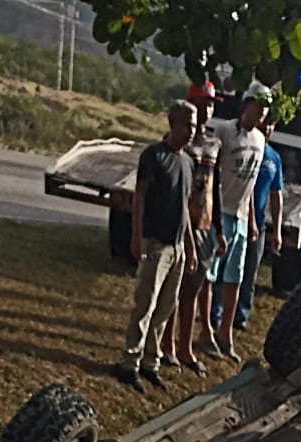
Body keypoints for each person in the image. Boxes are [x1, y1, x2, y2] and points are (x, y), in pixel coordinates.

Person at [113, 101, 199, 393]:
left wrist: (190, 248)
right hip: (155, 242)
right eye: (187, 124)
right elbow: (139, 198)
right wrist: (136, 237)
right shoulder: (154, 156)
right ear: (172, 123)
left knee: (165, 307)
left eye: (195, 125)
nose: (192, 131)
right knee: (145, 305)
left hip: (177, 247)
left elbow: (186, 208)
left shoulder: (189, 162)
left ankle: (151, 362)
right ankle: (129, 363)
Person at [203, 81, 272, 362]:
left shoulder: (261, 140)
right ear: (246, 105)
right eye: (259, 106)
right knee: (210, 274)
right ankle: (205, 330)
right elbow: (211, 174)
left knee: (235, 277)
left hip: (243, 217)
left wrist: (253, 219)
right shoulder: (225, 132)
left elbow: (253, 182)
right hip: (222, 212)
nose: (262, 113)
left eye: (266, 109)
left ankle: (225, 334)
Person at [163, 81, 224, 376]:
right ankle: (167, 344)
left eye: (210, 105)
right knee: (174, 288)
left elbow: (218, 187)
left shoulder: (214, 144)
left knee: (194, 289)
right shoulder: (179, 143)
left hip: (206, 223)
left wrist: (220, 229)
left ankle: (186, 346)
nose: (206, 110)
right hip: (181, 223)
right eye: (201, 104)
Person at [211, 116, 282, 334]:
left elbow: (276, 194)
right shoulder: (247, 146)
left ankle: (239, 318)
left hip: (258, 225)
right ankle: (216, 314)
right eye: (264, 124)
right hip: (238, 216)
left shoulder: (273, 157)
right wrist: (249, 219)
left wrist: (276, 230)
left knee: (247, 274)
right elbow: (246, 187)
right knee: (222, 270)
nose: (267, 128)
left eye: (271, 125)